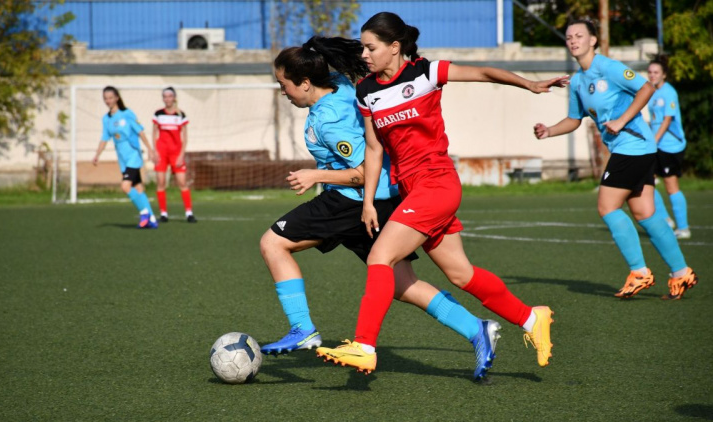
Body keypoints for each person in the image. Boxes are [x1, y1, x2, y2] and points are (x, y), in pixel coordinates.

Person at [315, 12, 563, 374]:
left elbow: (482, 73)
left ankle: (365, 346)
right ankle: (531, 318)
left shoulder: (425, 73)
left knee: (380, 258)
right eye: (364, 48)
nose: (365, 54)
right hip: (411, 190)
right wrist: (367, 201)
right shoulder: (366, 91)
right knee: (461, 274)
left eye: (371, 47)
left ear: (394, 47)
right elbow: (373, 149)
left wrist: (529, 84)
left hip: (437, 182)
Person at [260, 36, 501, 380]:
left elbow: (360, 174)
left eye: (283, 84)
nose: (282, 91)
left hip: (348, 202)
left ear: (306, 83)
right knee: (403, 284)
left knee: (273, 243)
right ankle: (478, 330)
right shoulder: (342, 85)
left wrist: (316, 173)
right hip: (380, 203)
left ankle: (302, 329)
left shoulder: (330, 122)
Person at [532, 20, 697, 300]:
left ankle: (640, 272)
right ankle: (681, 273)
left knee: (607, 206)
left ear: (593, 40)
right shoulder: (578, 82)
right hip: (634, 149)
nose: (573, 41)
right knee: (646, 213)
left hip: (633, 146)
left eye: (579, 36)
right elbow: (574, 119)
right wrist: (549, 131)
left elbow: (646, 88)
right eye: (569, 37)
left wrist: (621, 120)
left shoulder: (607, 67)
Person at [92, 86, 158, 229]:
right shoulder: (106, 118)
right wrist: (97, 154)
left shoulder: (127, 114)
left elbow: (140, 131)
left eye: (110, 97)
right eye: (105, 98)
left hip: (133, 154)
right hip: (122, 157)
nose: (108, 100)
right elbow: (104, 138)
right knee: (138, 187)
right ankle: (152, 219)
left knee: (125, 186)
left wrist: (150, 149)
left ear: (117, 98)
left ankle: (144, 213)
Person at [646, 57, 690, 239]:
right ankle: (665, 219)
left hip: (670, 146)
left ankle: (683, 228)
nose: (652, 75)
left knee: (671, 186)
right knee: (647, 180)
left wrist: (654, 139)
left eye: (656, 72)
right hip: (657, 144)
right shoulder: (652, 92)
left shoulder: (669, 93)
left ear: (664, 74)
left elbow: (667, 120)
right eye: (650, 72)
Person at [152, 87, 197, 223]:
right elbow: (154, 133)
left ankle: (189, 213)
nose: (167, 99)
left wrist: (181, 154)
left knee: (182, 182)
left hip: (176, 152)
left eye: (170, 96)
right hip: (162, 152)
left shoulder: (180, 115)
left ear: (174, 97)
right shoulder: (158, 114)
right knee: (161, 182)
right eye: (165, 96)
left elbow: (185, 137)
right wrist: (155, 151)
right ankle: (163, 213)